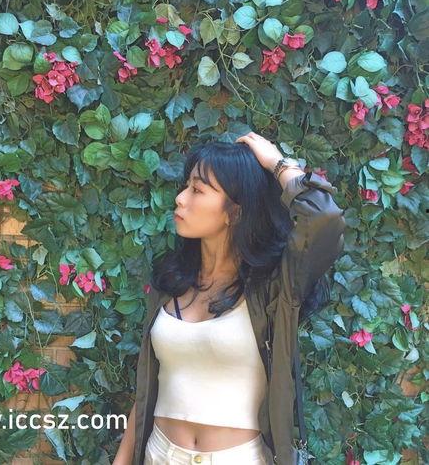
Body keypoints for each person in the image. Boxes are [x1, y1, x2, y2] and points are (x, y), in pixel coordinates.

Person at [113, 133, 346, 465]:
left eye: (197, 190)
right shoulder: (170, 283)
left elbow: (324, 218)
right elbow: (148, 388)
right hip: (160, 454)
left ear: (234, 212)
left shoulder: (274, 287)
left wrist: (277, 163)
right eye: (185, 187)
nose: (180, 198)